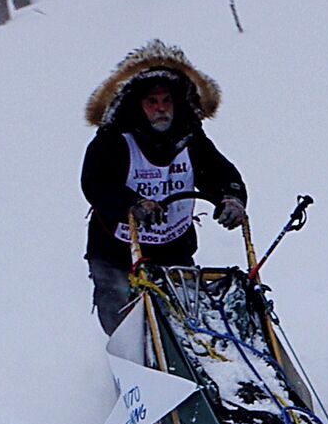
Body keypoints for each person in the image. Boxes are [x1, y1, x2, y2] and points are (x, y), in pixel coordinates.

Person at [81, 43, 248, 333]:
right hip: (117, 254)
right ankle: (131, 367)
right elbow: (95, 184)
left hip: (173, 249)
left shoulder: (190, 138)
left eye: (166, 101)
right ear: (138, 106)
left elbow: (220, 174)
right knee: (123, 324)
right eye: (152, 102)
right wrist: (132, 204)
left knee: (183, 321)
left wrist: (230, 198)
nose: (161, 109)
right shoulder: (113, 140)